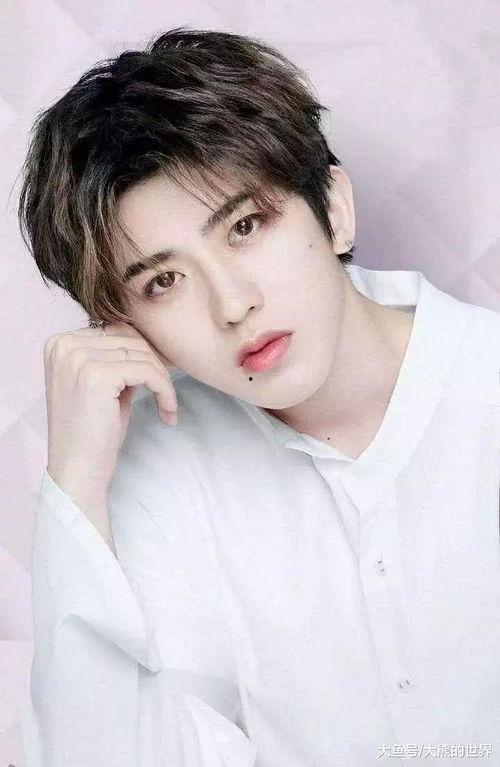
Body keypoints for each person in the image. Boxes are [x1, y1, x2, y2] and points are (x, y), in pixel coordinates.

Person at [17, 25, 500, 767]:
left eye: (245, 226)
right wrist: (75, 482)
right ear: (127, 327)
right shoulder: (154, 463)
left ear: (333, 208)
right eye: (164, 281)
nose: (233, 304)